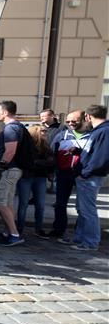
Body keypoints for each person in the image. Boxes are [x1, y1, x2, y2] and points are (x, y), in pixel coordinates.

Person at [68, 104, 108, 251]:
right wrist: (79, 152)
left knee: (88, 211)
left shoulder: (104, 131)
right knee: (82, 209)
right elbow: (93, 152)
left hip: (90, 176)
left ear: (88, 117)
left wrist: (85, 173)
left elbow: (102, 158)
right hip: (87, 174)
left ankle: (90, 242)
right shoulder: (98, 131)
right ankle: (80, 239)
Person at [48, 110, 90, 238]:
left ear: (83, 120)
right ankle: (58, 229)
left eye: (74, 121)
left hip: (83, 174)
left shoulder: (92, 136)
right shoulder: (62, 135)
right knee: (60, 203)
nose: (70, 123)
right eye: (68, 121)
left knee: (82, 205)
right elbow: (52, 154)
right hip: (63, 173)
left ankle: (80, 231)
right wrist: (51, 171)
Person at [0, 101, 26, 246]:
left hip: (8, 170)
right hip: (13, 169)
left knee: (0, 202)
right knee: (7, 202)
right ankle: (9, 231)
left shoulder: (11, 129)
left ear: (5, 112)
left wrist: (0, 165)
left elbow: (10, 151)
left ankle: (14, 234)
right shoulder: (17, 127)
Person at [15, 125, 54, 238]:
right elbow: (28, 161)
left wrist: (39, 163)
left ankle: (39, 228)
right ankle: (20, 227)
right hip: (26, 176)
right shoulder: (26, 146)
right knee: (23, 204)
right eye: (43, 131)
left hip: (40, 177)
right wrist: (42, 163)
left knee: (40, 204)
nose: (45, 133)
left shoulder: (46, 145)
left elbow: (51, 162)